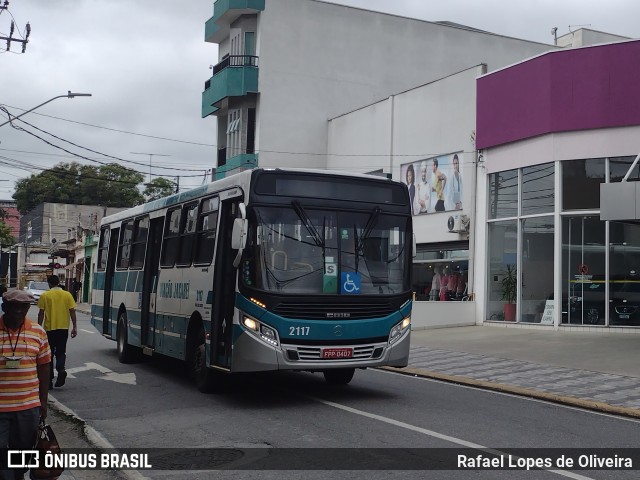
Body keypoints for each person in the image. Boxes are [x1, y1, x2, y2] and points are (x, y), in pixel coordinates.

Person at [0, 289, 51, 480]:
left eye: (24, 308)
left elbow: (44, 367)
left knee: (22, 452)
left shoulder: (38, 331)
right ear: (5, 307)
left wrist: (43, 403)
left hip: (28, 406)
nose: (19, 312)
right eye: (14, 307)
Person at [37, 275, 77, 389]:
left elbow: (41, 313)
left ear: (49, 283)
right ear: (59, 282)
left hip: (49, 329)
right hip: (63, 328)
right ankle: (61, 370)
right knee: (61, 352)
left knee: (49, 355)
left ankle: (48, 381)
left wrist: (39, 327)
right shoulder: (67, 294)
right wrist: (75, 327)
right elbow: (72, 311)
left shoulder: (45, 295)